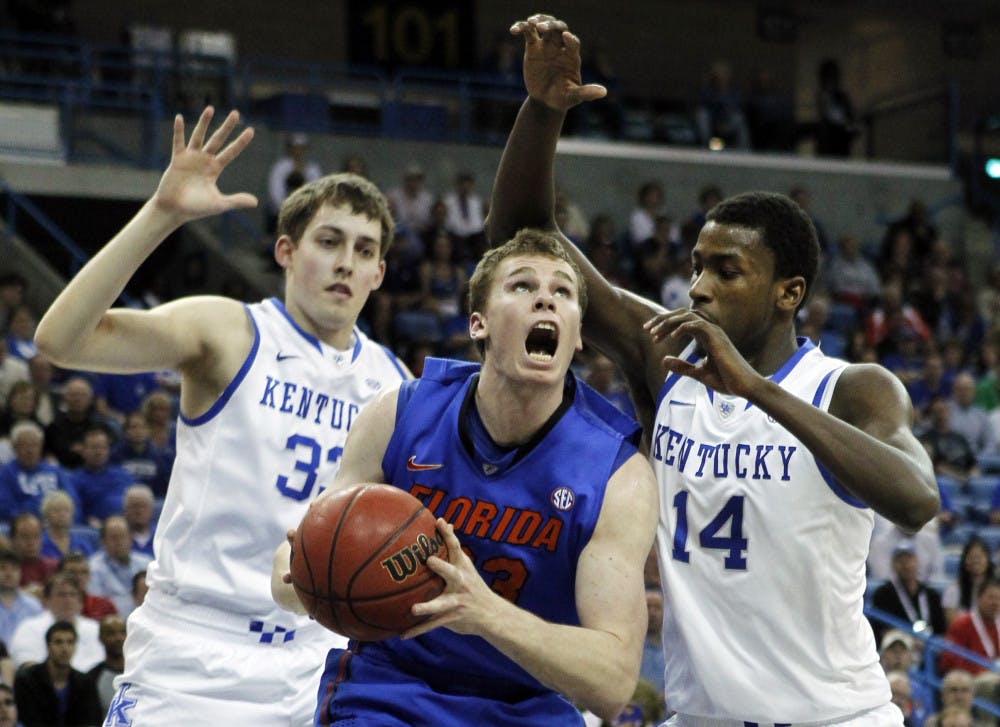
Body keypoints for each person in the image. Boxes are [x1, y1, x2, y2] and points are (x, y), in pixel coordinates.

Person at [490, 16, 939, 723]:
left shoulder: (854, 388)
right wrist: (543, 111)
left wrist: (757, 391)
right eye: (697, 266)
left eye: (726, 271)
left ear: (789, 292)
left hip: (837, 716)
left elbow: (917, 499)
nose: (697, 286)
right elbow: (524, 244)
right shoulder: (665, 359)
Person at [33, 106, 410, 725]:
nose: (346, 261)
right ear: (286, 251)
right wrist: (162, 215)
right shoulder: (231, 331)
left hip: (316, 655)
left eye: (364, 249)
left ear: (379, 273)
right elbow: (62, 340)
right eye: (329, 241)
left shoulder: (396, 386)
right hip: (192, 650)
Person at [272, 230, 659, 724]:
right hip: (390, 691)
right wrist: (307, 570)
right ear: (478, 323)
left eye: (562, 291)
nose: (545, 297)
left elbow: (612, 680)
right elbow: (285, 572)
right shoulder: (400, 414)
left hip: (525, 707)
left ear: (578, 334)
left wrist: (485, 614)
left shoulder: (617, 474)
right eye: (521, 286)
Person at [13, 620, 103, 727]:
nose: (65, 648)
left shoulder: (85, 682)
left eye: (70, 642)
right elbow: (26, 719)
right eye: (58, 642)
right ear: (47, 645)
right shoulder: (27, 680)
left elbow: (92, 720)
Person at [9, 572, 103, 672]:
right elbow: (27, 664)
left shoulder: (94, 628)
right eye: (61, 595)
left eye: (73, 594)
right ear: (47, 600)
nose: (68, 600)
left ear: (80, 601)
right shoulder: (29, 628)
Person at [869, 542, 946, 642]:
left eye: (909, 559)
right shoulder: (883, 594)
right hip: (898, 646)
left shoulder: (931, 595)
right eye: (900, 561)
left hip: (928, 648)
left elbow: (941, 630)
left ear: (917, 562)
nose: (906, 565)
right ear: (893, 565)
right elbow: (879, 630)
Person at [87, 515, 151, 618]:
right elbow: (97, 605)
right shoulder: (92, 568)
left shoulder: (146, 563)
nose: (119, 542)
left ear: (130, 539)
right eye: (113, 537)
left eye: (122, 536)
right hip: (112, 624)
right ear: (103, 541)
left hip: (146, 619)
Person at [68, 426, 133, 525]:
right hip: (97, 529)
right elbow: (74, 511)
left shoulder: (123, 474)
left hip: (128, 526)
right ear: (83, 451)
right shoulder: (74, 480)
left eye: (103, 447)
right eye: (94, 447)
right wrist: (87, 521)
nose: (98, 452)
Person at [266, 132, 322, 234]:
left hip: (306, 214)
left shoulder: (313, 168)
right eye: (296, 148)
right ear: (290, 149)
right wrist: (287, 209)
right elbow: (275, 191)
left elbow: (317, 191)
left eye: (301, 148)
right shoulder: (280, 166)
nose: (298, 151)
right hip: (280, 213)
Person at [942, 536, 995, 627]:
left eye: (980, 557)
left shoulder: (996, 590)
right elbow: (953, 624)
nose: (976, 561)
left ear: (988, 561)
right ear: (965, 561)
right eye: (972, 557)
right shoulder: (953, 590)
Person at [0, 545, 42, 648]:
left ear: (21, 573)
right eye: (3, 568)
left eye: (14, 569)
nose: (8, 574)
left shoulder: (34, 606)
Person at [87, 614, 127, 715]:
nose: (119, 638)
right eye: (111, 633)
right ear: (100, 638)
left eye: (123, 632)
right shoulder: (91, 678)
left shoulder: (140, 672)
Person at [39, 490, 95, 560]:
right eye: (56, 511)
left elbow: (91, 564)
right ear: (46, 515)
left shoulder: (81, 543)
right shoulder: (40, 543)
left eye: (66, 510)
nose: (62, 514)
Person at [121, 483, 157, 557]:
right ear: (125, 509)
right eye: (134, 506)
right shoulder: (119, 538)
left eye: (143, 506)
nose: (139, 511)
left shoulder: (160, 536)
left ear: (151, 509)